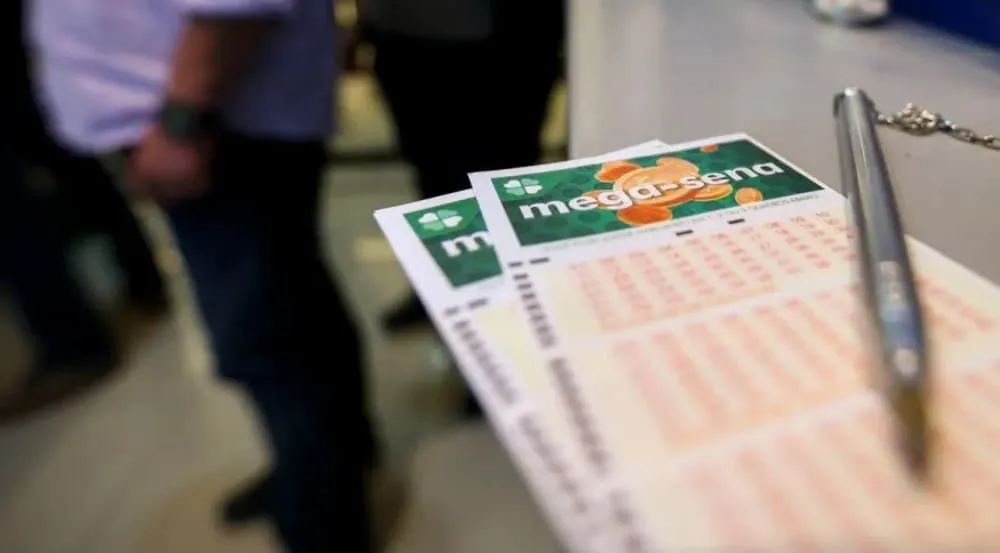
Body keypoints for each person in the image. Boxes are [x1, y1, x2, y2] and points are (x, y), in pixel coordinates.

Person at [30, 0, 380, 551]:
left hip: (215, 119)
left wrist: (182, 123)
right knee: (293, 298)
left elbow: (235, 6)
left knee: (264, 332)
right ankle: (330, 462)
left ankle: (324, 518)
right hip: (207, 111)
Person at [363, 0, 566, 333]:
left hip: (499, 42)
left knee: (493, 193)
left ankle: (499, 319)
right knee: (433, 181)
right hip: (402, 31)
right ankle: (443, 287)